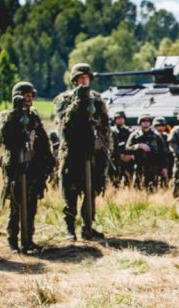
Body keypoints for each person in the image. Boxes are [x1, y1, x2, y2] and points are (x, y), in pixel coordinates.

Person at [54, 63, 112, 241]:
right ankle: (70, 228)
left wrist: (105, 148)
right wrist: (78, 101)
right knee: (70, 191)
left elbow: (105, 126)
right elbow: (64, 124)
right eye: (80, 78)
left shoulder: (97, 99)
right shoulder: (64, 99)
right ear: (74, 80)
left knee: (91, 190)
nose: (84, 81)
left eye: (86, 77)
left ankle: (88, 226)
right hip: (73, 153)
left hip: (93, 152)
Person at [0, 82, 55, 253]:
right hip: (16, 167)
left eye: (30, 95)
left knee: (31, 205)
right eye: (25, 95)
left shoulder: (33, 116)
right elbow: (5, 139)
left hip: (33, 168)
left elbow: (42, 139)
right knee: (16, 205)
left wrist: (49, 159)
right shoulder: (7, 116)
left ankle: (28, 239)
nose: (28, 99)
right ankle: (13, 240)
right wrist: (16, 115)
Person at [126, 113, 167, 191]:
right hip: (139, 166)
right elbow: (127, 148)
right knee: (137, 189)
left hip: (153, 167)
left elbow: (163, 152)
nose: (146, 123)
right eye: (143, 121)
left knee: (152, 189)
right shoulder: (134, 135)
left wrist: (164, 167)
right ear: (140, 122)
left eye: (148, 121)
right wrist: (138, 146)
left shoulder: (156, 135)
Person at [109, 110, 134, 187]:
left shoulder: (130, 131)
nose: (120, 120)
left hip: (128, 160)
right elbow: (109, 146)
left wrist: (131, 156)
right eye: (118, 118)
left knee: (129, 181)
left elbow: (133, 144)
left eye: (121, 118)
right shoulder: (111, 131)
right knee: (115, 182)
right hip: (115, 160)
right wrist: (119, 155)